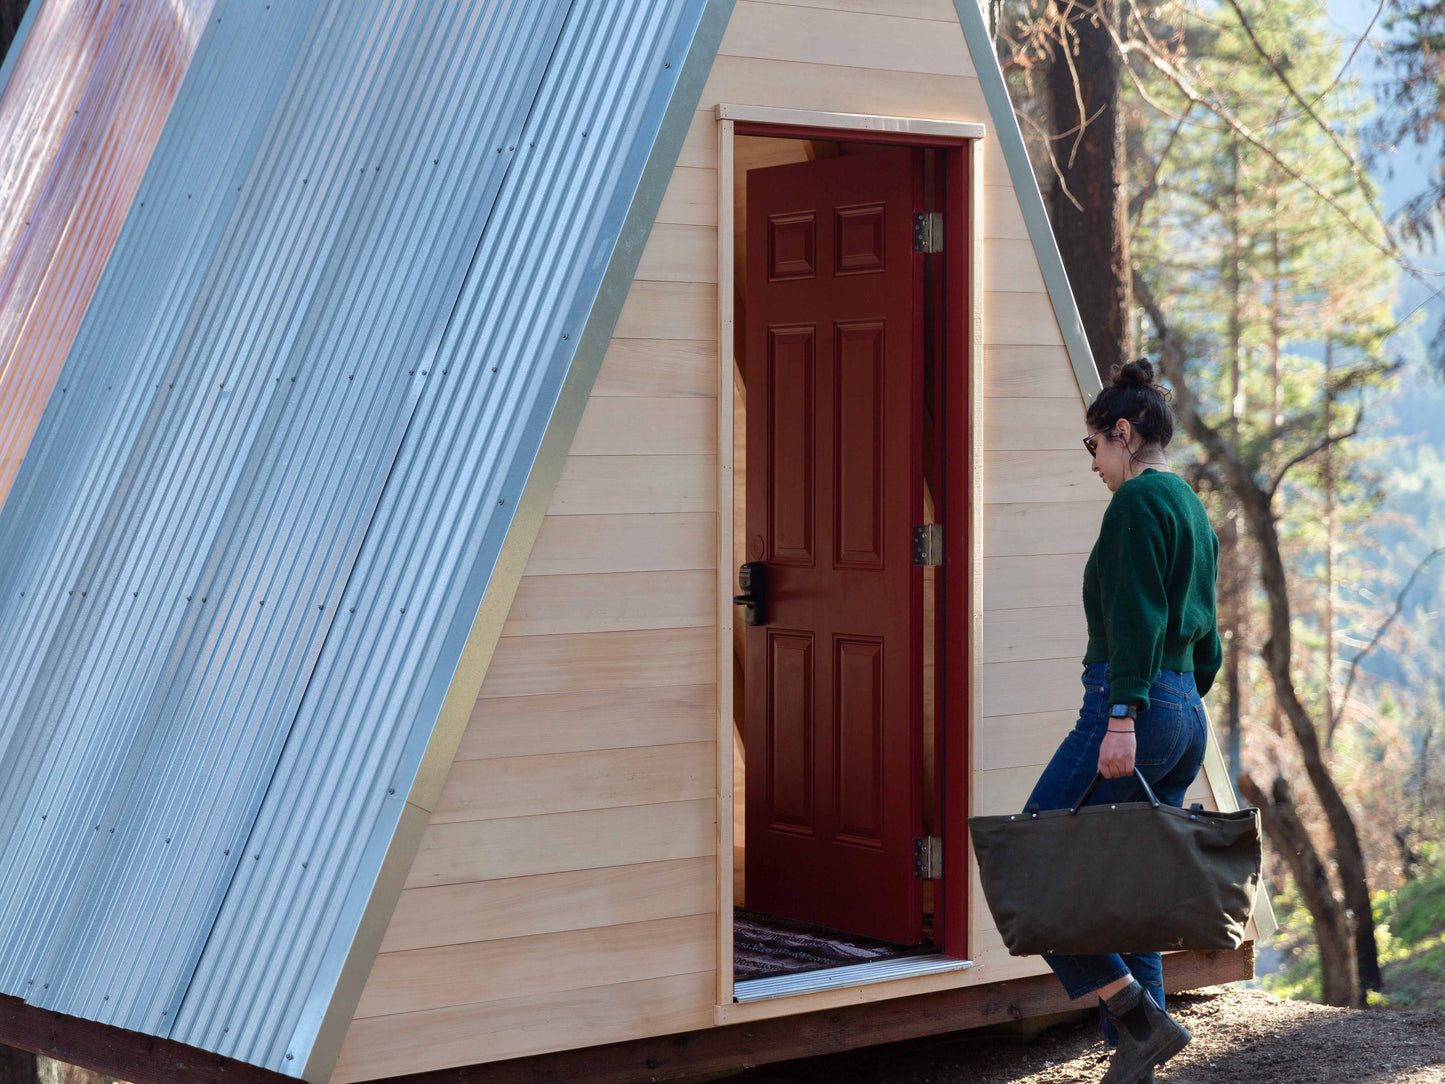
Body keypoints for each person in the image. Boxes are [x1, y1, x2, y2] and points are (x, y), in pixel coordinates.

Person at [1025, 358, 1223, 1084]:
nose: (1093, 466)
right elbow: (1209, 639)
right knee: (1135, 890)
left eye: (1093, 448)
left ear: (1121, 432)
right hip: (1180, 710)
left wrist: (1120, 715)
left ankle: (1135, 1018)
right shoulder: (1190, 506)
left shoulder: (1137, 505)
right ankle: (1142, 1054)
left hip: (1130, 705)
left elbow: (1135, 620)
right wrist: (1177, 703)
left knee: (1034, 867)